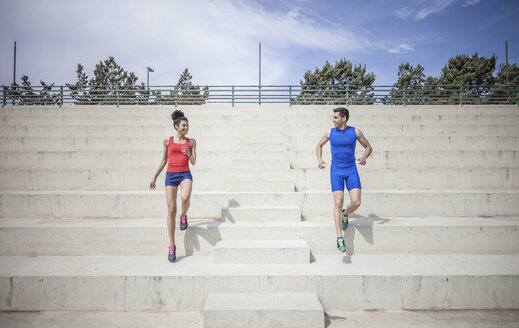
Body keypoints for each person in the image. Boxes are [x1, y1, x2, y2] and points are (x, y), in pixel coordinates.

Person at [316, 107, 372, 253]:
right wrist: (320, 160)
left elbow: (368, 147)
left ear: (343, 118)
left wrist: (364, 157)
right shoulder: (330, 132)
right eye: (333, 117)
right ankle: (339, 237)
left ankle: (345, 214)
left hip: (351, 169)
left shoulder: (355, 132)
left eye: (335, 117)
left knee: (357, 202)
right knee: (337, 202)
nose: (333, 120)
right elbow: (319, 145)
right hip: (336, 171)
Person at [150, 110, 197, 262]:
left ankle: (183, 215)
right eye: (183, 125)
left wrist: (189, 154)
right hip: (170, 175)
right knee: (171, 210)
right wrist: (155, 176)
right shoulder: (167, 141)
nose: (186, 128)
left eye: (187, 126)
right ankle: (172, 246)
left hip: (185, 174)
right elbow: (164, 160)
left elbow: (194, 161)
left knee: (185, 197)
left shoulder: (192, 142)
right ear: (176, 126)